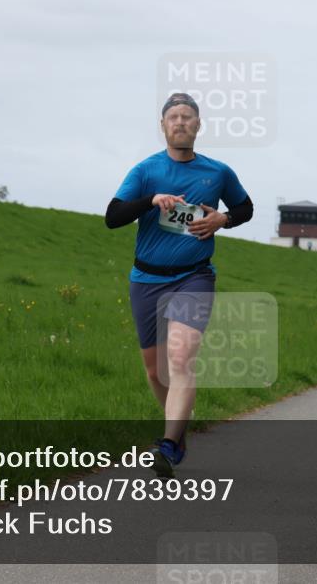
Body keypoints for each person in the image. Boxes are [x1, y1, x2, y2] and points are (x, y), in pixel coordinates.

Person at [105, 92, 252, 477]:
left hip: (194, 276)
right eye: (174, 117)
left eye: (188, 117)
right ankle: (179, 429)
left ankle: (168, 445)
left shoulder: (218, 172)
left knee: (181, 356)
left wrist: (223, 220)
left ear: (198, 125)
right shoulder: (145, 171)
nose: (181, 122)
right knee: (155, 372)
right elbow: (113, 216)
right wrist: (151, 200)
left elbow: (245, 207)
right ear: (163, 126)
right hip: (146, 279)